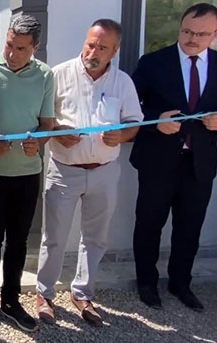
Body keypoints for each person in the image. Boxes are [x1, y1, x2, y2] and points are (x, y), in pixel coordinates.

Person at [131, 3, 217, 311]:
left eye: (201, 34)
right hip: (158, 159)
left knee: (190, 226)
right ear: (180, 28)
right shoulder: (153, 62)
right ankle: (147, 283)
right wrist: (156, 119)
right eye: (187, 31)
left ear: (215, 34)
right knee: (149, 223)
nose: (192, 38)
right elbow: (129, 106)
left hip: (199, 162)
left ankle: (181, 283)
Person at [35, 19, 143, 326]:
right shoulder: (59, 74)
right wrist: (57, 132)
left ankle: (82, 293)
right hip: (64, 170)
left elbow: (135, 122)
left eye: (102, 48)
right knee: (54, 237)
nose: (93, 52)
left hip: (104, 171)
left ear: (115, 51)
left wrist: (122, 136)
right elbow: (43, 119)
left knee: (95, 238)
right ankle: (44, 294)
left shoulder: (122, 82)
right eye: (90, 44)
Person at [0, 15, 54, 332]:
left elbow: (46, 125)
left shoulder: (45, 76)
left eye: (21, 48)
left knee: (18, 240)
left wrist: (39, 141)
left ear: (36, 47)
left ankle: (11, 301)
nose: (12, 53)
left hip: (27, 173)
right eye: (9, 45)